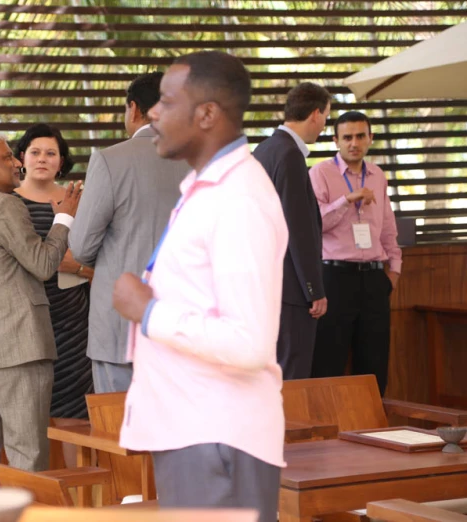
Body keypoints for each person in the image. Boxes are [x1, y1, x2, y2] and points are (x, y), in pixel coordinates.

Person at [112, 51, 287, 521]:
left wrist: (148, 312)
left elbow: (248, 342)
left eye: (167, 101)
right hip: (197, 431)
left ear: (207, 113)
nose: (152, 112)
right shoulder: (208, 188)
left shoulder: (238, 199)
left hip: (217, 437)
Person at [0, 132, 81, 470]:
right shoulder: (3, 204)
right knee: (27, 455)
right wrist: (64, 219)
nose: (17, 162)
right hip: (18, 345)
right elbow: (44, 265)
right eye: (7, 159)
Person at [69, 72, 190, 393]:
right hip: (182, 324)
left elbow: (81, 247)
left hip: (120, 328)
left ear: (134, 109)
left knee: (119, 436)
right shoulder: (197, 162)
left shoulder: (110, 161)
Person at [309, 111, 402, 395]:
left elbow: (387, 226)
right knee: (328, 362)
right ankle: (326, 433)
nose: (354, 143)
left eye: (360, 136)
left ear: (370, 139)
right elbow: (316, 224)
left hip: (374, 280)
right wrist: (347, 200)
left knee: (374, 366)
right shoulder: (320, 173)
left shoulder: (378, 175)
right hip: (334, 277)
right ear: (335, 140)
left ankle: (371, 436)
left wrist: (394, 271)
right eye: (347, 137)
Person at [253, 82, 331, 380]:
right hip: (290, 292)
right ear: (314, 114)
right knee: (292, 379)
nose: (325, 124)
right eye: (325, 116)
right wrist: (315, 290)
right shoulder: (289, 156)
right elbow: (297, 230)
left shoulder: (264, 149)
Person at [14, 123, 93, 419]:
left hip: (73, 321)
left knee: (77, 413)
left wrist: (80, 266)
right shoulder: (6, 203)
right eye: (35, 152)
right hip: (25, 319)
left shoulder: (80, 200)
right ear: (22, 158)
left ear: (61, 161)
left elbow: (104, 258)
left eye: (51, 153)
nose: (42, 158)